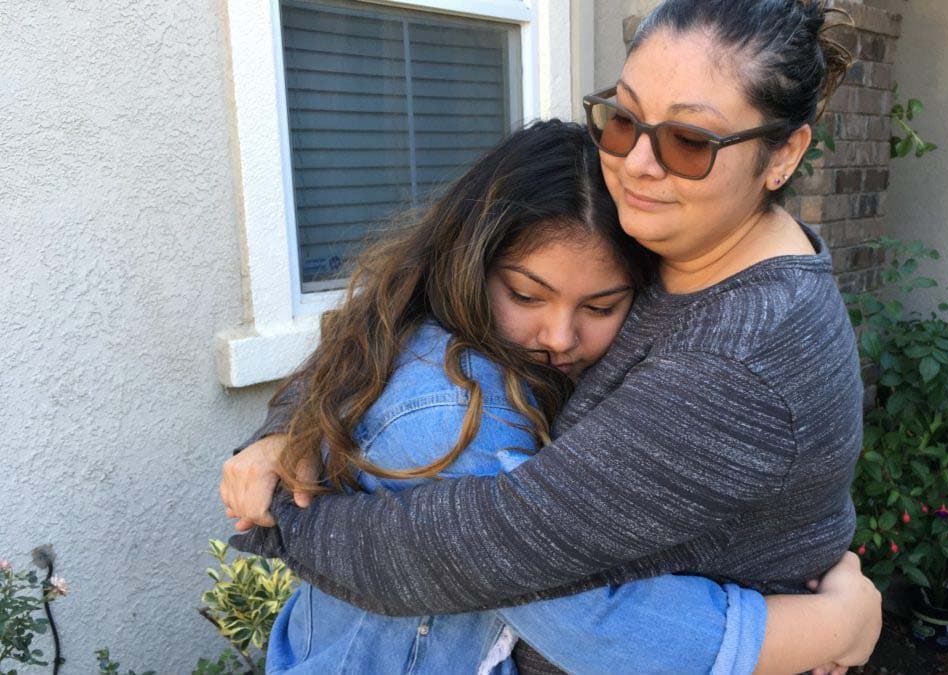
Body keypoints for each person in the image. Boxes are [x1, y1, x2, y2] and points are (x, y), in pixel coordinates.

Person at [225, 1, 880, 672]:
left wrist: (287, 512)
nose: (638, 164)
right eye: (623, 119)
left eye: (690, 140)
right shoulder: (674, 237)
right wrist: (290, 430)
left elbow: (495, 553)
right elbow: (400, 302)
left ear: (784, 153)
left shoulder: (737, 355)